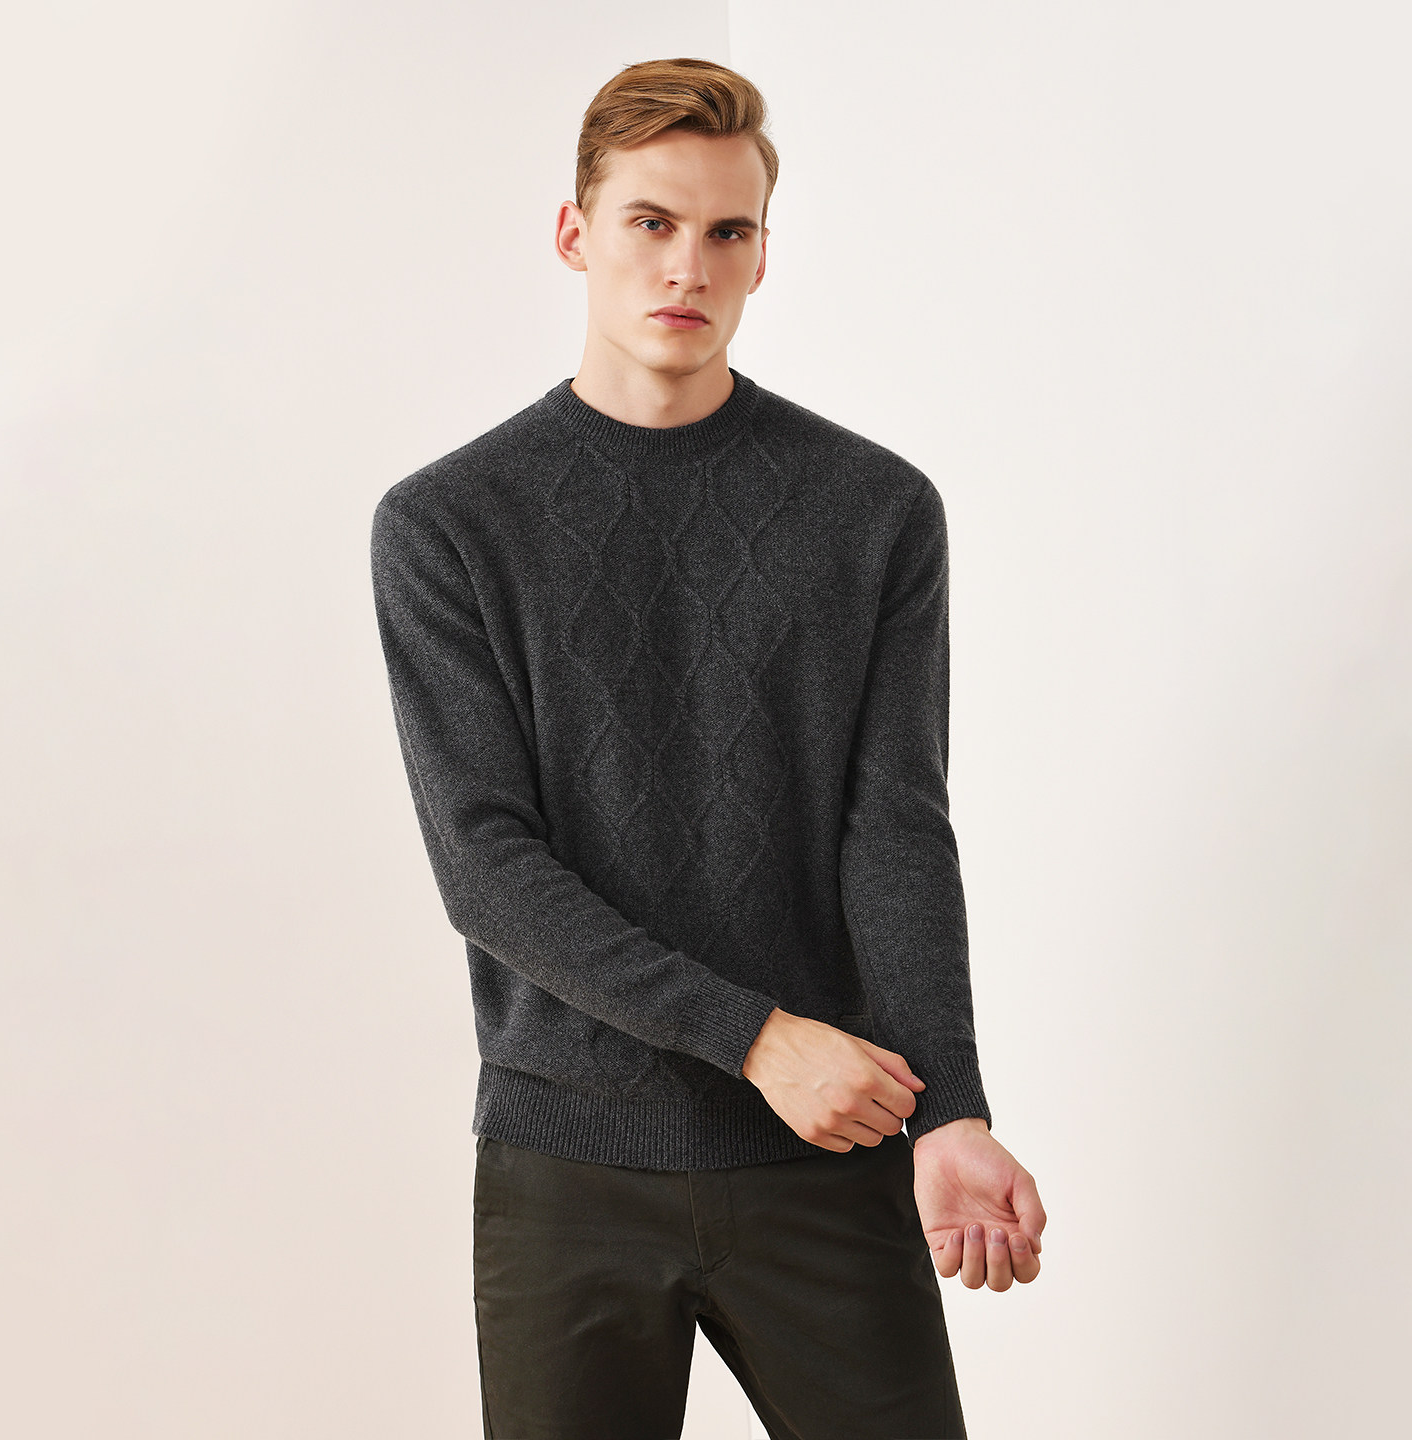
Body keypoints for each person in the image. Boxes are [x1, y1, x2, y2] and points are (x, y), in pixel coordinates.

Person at [370, 55, 1046, 1440]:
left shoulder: (872, 510)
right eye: (651, 222)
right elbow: (487, 867)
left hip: (826, 1155)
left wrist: (951, 1110)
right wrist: (755, 1041)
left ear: (762, 255)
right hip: (570, 1164)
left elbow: (895, 830)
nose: (688, 265)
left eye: (727, 231)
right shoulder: (450, 525)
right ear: (576, 233)